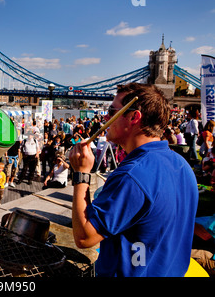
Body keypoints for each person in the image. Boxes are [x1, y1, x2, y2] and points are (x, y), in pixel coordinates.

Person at [69, 82, 198, 277]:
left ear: (133, 117)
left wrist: (81, 174)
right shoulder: (182, 166)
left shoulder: (132, 175)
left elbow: (85, 237)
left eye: (112, 111)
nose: (105, 117)